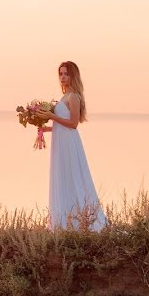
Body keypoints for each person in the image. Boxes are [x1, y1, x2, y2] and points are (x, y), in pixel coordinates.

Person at [36, 61, 107, 231]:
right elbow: (63, 124)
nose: (62, 77)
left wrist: (51, 117)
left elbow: (73, 123)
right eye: (60, 74)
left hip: (69, 144)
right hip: (61, 142)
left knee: (73, 176)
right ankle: (63, 220)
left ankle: (81, 220)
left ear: (73, 76)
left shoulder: (73, 96)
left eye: (66, 74)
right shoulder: (64, 97)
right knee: (63, 176)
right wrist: (46, 128)